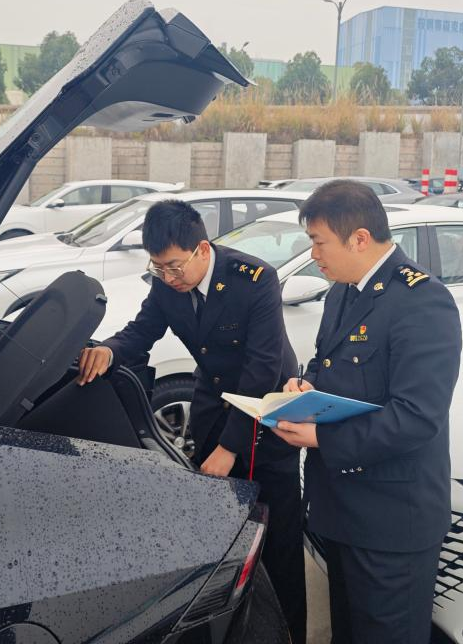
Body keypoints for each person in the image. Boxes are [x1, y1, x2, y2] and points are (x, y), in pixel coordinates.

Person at [77, 199, 307, 643]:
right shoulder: (168, 285)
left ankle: (289, 634)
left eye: (174, 267)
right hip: (210, 410)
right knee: (223, 543)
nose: (167, 277)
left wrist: (229, 448)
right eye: (158, 268)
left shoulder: (256, 281)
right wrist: (108, 349)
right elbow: (142, 332)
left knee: (277, 547)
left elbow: (261, 372)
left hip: (264, 427)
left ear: (202, 249)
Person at [272, 179, 462, 644]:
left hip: (391, 522)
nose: (314, 255)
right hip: (341, 510)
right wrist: (308, 385)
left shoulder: (422, 301)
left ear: (358, 238)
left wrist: (322, 439)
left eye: (319, 243)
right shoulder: (342, 292)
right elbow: (329, 362)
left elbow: (417, 416)